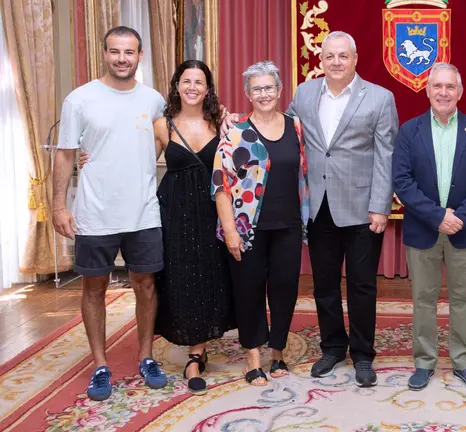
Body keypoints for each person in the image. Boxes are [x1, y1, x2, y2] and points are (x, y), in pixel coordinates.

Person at [78, 60, 237, 395]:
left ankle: (198, 351)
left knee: (210, 275)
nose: (193, 87)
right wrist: (89, 157)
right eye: (186, 81)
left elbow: (241, 159)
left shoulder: (220, 120)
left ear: (208, 88)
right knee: (180, 278)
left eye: (199, 82)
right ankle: (186, 347)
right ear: (176, 85)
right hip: (172, 211)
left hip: (211, 209)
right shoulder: (161, 124)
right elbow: (135, 159)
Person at [52, 26, 168, 401]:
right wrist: (58, 205)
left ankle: (146, 356)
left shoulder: (152, 100)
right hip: (95, 212)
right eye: (115, 52)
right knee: (94, 288)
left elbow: (164, 138)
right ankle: (100, 365)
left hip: (144, 212)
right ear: (105, 54)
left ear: (140, 55)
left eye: (129, 52)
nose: (122, 58)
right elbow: (66, 152)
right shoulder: (80, 99)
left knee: (146, 285)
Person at [286, 31, 399, 387]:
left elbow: (386, 156)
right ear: (321, 60)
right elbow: (281, 128)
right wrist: (237, 122)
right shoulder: (305, 93)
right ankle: (333, 347)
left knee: (363, 286)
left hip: (364, 210)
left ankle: (363, 355)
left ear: (355, 59)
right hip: (319, 205)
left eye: (343, 56)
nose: (336, 62)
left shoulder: (380, 98)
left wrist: (380, 206)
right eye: (329, 56)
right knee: (324, 284)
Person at [392, 62, 466, 391]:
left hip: (463, 229)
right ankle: (424, 362)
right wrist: (437, 215)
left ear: (460, 92)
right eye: (437, 86)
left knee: (463, 299)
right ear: (427, 90)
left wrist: (460, 216)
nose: (443, 92)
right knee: (423, 299)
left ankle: (464, 361)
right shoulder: (410, 130)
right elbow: (402, 181)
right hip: (423, 230)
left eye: (450, 87)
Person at [213, 61, 310, 386]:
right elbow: (221, 183)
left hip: (289, 226)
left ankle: (278, 352)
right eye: (257, 88)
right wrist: (229, 231)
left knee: (285, 290)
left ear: (280, 90)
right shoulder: (236, 131)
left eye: (270, 87)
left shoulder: (295, 127)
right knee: (249, 291)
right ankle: (253, 357)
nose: (264, 93)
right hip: (245, 227)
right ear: (247, 93)